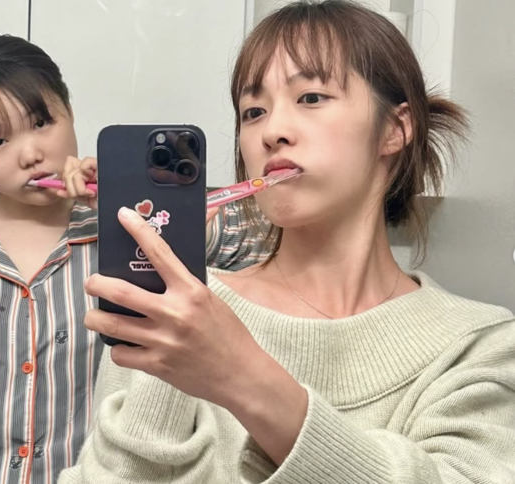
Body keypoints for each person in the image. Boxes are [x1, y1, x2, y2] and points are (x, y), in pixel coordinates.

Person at [58, 1, 515, 483]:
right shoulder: (182, 311)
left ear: (395, 129)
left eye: (311, 97)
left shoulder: (477, 344)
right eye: (253, 112)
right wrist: (168, 364)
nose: (271, 132)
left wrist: (245, 379)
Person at [0, 33, 256, 483]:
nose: (30, 154)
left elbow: (263, 243)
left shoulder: (130, 231)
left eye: (41, 122)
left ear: (68, 109)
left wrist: (133, 199)